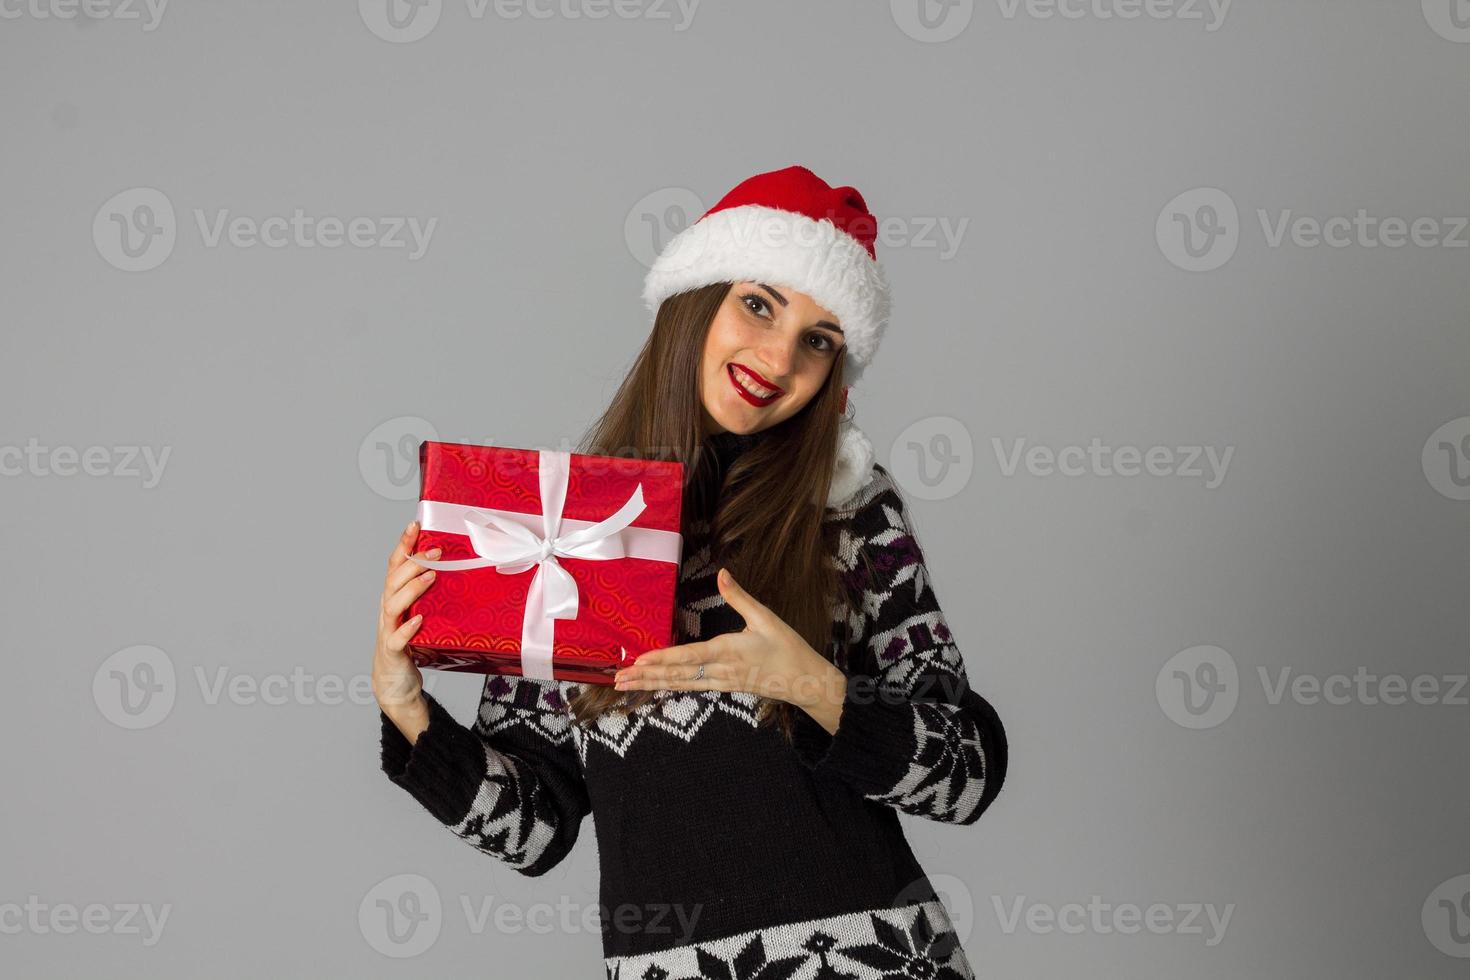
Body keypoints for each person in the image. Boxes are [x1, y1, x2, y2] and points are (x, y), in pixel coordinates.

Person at [372, 164, 1009, 979]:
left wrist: (813, 688)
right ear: (695, 301)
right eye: (758, 304)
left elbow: (971, 774)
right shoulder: (569, 531)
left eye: (819, 340)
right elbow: (534, 828)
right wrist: (404, 702)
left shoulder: (849, 510)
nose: (778, 357)